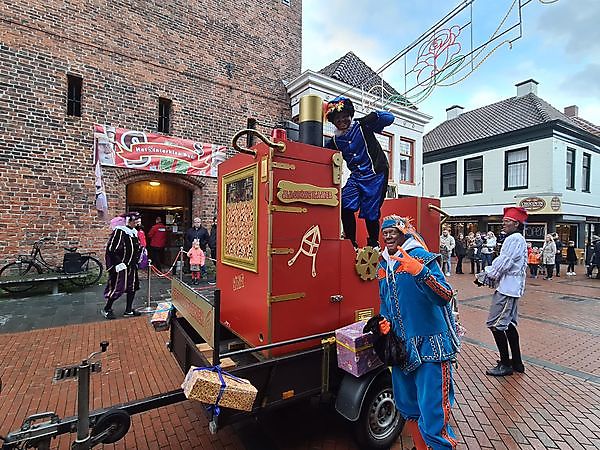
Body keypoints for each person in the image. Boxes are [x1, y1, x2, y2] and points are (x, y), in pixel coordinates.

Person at [377, 215, 459, 449]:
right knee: (409, 407)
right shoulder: (383, 264)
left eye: (393, 231)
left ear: (404, 233)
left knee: (434, 416)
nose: (389, 236)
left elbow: (445, 295)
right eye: (385, 233)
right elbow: (385, 300)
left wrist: (420, 271)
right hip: (402, 350)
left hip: (430, 349)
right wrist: (385, 322)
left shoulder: (422, 257)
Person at [324, 96, 394, 250]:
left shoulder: (362, 127)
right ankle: (351, 243)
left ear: (350, 115)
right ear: (333, 121)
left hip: (375, 174)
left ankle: (374, 244)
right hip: (356, 177)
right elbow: (319, 151)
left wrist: (372, 116)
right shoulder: (335, 141)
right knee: (344, 203)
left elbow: (390, 118)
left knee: (371, 210)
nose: (342, 121)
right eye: (338, 118)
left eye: (345, 117)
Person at [481, 207, 528, 377]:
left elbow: (505, 261)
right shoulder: (517, 238)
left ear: (516, 223)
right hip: (511, 286)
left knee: (495, 324)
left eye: (507, 221)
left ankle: (506, 364)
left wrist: (489, 274)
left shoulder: (514, 239)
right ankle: (517, 362)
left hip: (508, 288)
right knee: (508, 325)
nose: (504, 224)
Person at [102, 212, 142, 319]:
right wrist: (118, 263)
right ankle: (107, 308)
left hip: (132, 266)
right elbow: (112, 249)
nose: (137, 222)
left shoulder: (133, 232)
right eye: (135, 220)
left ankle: (128, 310)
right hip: (121, 266)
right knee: (117, 287)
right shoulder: (119, 231)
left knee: (132, 288)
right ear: (128, 221)